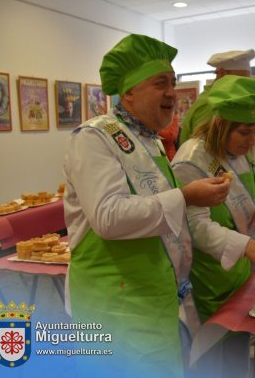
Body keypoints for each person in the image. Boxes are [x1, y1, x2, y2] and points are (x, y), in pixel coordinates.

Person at [62, 34, 230, 378]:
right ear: (128, 93)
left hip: (152, 300)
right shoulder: (93, 138)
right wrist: (185, 197)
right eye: (160, 83)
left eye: (173, 83)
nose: (172, 92)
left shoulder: (148, 140)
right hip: (113, 306)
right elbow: (107, 217)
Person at [172, 75, 255, 377]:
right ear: (221, 125)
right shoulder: (191, 159)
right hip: (207, 274)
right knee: (209, 354)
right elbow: (196, 227)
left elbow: (253, 192)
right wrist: (246, 245)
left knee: (236, 350)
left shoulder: (244, 150)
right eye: (245, 133)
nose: (252, 141)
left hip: (239, 270)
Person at [179, 49, 255, 145]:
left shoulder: (221, 100)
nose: (244, 88)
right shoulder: (211, 103)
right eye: (239, 81)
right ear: (222, 73)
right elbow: (202, 150)